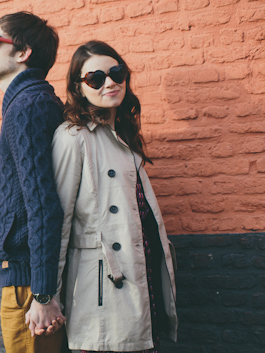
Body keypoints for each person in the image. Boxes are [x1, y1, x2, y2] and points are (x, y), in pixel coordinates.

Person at [49, 41, 178, 352]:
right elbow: (60, 220)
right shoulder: (73, 138)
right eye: (95, 78)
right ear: (79, 88)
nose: (109, 83)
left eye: (116, 73)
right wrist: (48, 294)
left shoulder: (123, 135)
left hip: (141, 274)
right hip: (102, 286)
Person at [0, 11, 66, 353]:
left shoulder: (28, 106)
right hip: (26, 279)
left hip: (28, 286)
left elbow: (43, 203)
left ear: (22, 53)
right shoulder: (25, 103)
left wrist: (43, 294)